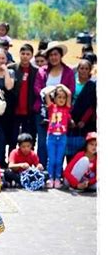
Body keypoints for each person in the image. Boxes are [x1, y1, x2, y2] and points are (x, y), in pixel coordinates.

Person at [33, 41, 75, 169]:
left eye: (56, 54)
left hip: (60, 114)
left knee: (58, 142)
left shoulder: (68, 71)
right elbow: (37, 88)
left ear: (60, 55)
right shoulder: (42, 70)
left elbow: (71, 90)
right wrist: (47, 93)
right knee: (42, 141)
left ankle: (56, 171)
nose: (53, 57)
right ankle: (43, 170)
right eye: (51, 55)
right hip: (43, 111)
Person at [8, 43, 38, 151]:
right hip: (14, 109)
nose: (25, 56)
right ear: (19, 54)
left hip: (29, 110)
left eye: (28, 54)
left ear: (31, 56)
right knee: (12, 136)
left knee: (28, 138)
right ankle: (11, 160)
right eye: (23, 53)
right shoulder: (12, 68)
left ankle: (27, 161)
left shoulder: (36, 71)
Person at [66, 61, 96, 161]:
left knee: (81, 148)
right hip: (69, 117)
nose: (83, 71)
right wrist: (69, 118)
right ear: (78, 69)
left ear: (90, 70)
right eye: (81, 68)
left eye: (86, 69)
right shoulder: (72, 81)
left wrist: (83, 120)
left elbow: (92, 106)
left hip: (84, 121)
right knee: (69, 147)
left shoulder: (92, 85)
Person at [45, 84, 72, 189]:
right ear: (54, 98)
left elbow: (69, 93)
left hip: (62, 137)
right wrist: (56, 87)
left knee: (59, 159)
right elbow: (47, 94)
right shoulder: (52, 107)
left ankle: (57, 178)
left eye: (63, 98)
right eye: (59, 97)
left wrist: (62, 86)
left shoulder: (66, 108)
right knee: (51, 159)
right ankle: (51, 178)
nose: (62, 99)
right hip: (51, 136)